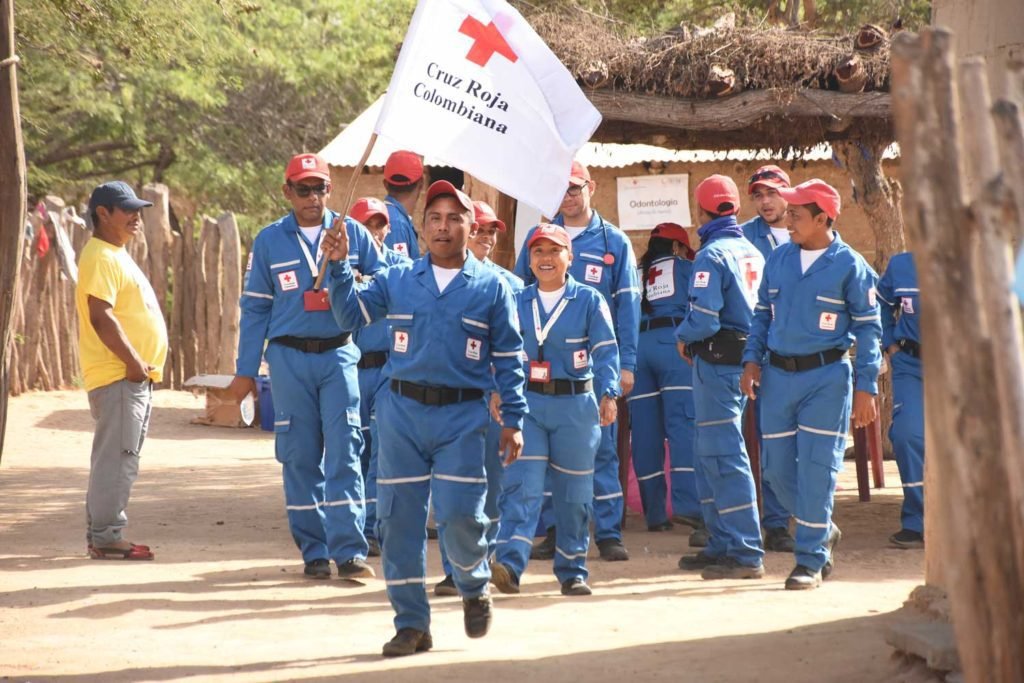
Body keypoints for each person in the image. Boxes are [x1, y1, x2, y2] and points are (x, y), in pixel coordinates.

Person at [325, 180, 527, 657]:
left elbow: (510, 357)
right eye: (434, 218)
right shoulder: (398, 280)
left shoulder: (492, 287)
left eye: (454, 218)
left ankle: (473, 585)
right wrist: (338, 266)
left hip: (462, 416)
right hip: (401, 415)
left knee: (460, 515)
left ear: (470, 227)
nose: (443, 227)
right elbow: (350, 316)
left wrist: (514, 419)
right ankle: (411, 623)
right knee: (398, 522)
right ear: (421, 229)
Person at [229, 153, 379, 581]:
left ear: (331, 190)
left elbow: (385, 281)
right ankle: (314, 551)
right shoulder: (269, 241)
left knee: (346, 450)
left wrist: (351, 275)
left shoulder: (352, 233)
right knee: (299, 455)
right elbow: (255, 308)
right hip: (288, 358)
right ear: (287, 192)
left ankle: (350, 552)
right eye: (303, 189)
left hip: (339, 354)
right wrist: (245, 371)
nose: (313, 197)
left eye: (320, 188)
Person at [740, 179, 882, 590]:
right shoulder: (779, 259)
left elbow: (869, 329)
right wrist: (751, 360)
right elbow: (761, 314)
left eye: (796, 215)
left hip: (827, 379)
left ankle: (809, 560)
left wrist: (867, 386)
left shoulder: (850, 265)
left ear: (822, 219)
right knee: (775, 471)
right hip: (778, 378)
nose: (788, 221)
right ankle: (821, 528)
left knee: (818, 470)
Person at [513, 160, 640, 562]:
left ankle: (608, 532)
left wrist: (625, 365)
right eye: (559, 188)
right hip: (543, 373)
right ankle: (556, 531)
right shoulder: (538, 238)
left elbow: (628, 306)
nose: (566, 196)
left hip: (593, 370)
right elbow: (518, 298)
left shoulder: (614, 241)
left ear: (591, 188)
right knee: (549, 456)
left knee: (601, 450)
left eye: (574, 187)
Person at [490, 224, 619, 597]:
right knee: (522, 487)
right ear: (529, 260)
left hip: (576, 408)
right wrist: (497, 388)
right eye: (538, 252)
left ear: (570, 257)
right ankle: (509, 566)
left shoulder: (589, 300)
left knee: (574, 494)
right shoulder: (516, 300)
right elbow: (499, 350)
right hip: (527, 406)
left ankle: (572, 570)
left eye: (554, 251)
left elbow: (606, 351)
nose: (545, 259)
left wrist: (609, 393)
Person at [675, 175, 766, 581]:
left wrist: (681, 336)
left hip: (717, 362)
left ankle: (744, 551)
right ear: (736, 209)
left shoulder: (711, 255)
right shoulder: (753, 251)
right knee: (710, 452)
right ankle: (721, 542)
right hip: (743, 361)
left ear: (701, 211)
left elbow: (704, 319)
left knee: (724, 455)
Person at [435, 200, 524, 596]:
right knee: (452, 487)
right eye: (481, 229)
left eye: (492, 231)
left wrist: (506, 394)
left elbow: (516, 348)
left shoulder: (511, 285)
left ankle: (481, 564)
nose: (486, 237)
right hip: (456, 398)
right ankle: (453, 570)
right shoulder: (441, 280)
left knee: (492, 485)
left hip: (495, 400)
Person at [76, 181, 166, 561]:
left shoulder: (114, 254)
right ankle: (108, 536)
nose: (136, 216)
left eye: (138, 209)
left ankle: (101, 533)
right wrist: (132, 363)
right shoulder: (101, 255)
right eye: (127, 209)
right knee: (118, 459)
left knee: (115, 457)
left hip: (128, 378)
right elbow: (101, 316)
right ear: (103, 213)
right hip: (119, 377)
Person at [628, 223, 703, 537]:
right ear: (676, 247)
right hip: (673, 346)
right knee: (682, 425)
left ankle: (655, 513)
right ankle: (689, 507)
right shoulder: (687, 267)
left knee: (645, 430)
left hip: (637, 350)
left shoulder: (634, 272)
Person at [739, 165, 797, 553]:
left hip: (806, 353)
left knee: (808, 444)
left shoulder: (810, 232)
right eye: (758, 195)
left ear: (787, 194)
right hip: (761, 353)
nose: (765, 202)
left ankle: (812, 517)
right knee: (767, 441)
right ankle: (775, 523)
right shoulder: (743, 238)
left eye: (772, 193)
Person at [349, 197, 410, 557]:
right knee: (353, 449)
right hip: (351, 372)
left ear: (388, 228)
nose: (373, 232)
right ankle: (351, 524)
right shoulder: (338, 268)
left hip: (388, 369)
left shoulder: (400, 268)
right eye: (365, 225)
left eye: (379, 224)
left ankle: (373, 526)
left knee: (382, 452)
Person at [877, 252, 924, 549]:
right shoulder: (901, 264)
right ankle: (917, 520)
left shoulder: (974, 259)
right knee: (908, 435)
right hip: (911, 364)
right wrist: (889, 343)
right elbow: (879, 303)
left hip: (962, 368)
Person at [382, 150, 424, 258]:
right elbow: (399, 269)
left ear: (385, 184)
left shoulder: (387, 215)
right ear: (421, 183)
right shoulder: (397, 224)